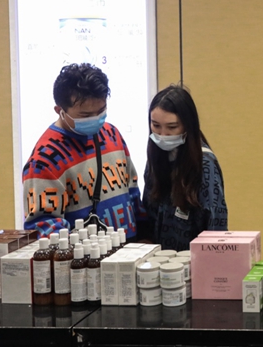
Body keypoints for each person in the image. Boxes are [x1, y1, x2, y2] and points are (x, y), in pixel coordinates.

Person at [23, 63, 143, 238]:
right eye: (85, 115)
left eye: (101, 111)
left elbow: (133, 192)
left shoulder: (111, 134)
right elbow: (44, 227)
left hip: (131, 248)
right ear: (60, 111)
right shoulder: (44, 160)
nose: (96, 119)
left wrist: (144, 236)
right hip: (86, 254)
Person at [136, 85, 228, 251]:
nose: (163, 135)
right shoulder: (155, 156)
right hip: (158, 258)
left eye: (172, 127)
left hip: (195, 259)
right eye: (156, 125)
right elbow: (148, 212)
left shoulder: (205, 164)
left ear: (187, 125)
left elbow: (215, 227)